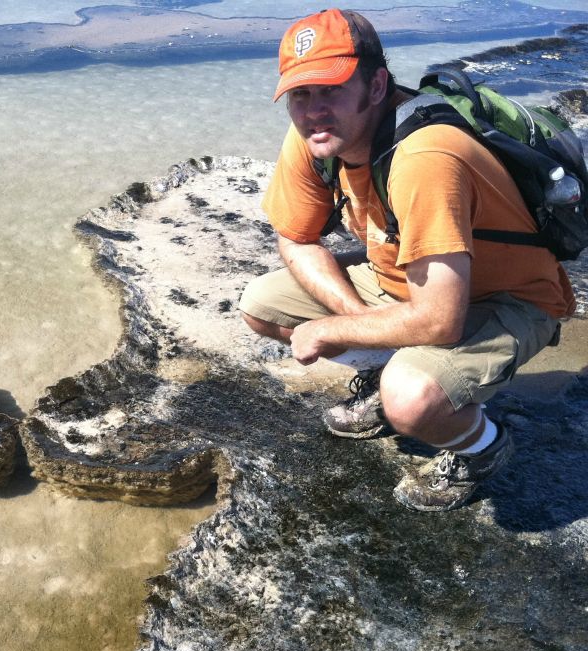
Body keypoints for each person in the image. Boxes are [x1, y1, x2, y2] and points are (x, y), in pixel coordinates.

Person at [239, 8, 576, 511]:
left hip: (508, 300)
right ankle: (387, 371)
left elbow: (440, 319)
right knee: (263, 305)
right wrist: (359, 319)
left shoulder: (424, 156)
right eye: (300, 94)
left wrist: (331, 331)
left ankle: (482, 446)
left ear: (377, 86)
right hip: (406, 283)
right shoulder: (315, 140)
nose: (313, 111)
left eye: (331, 90)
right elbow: (296, 239)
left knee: (411, 397)